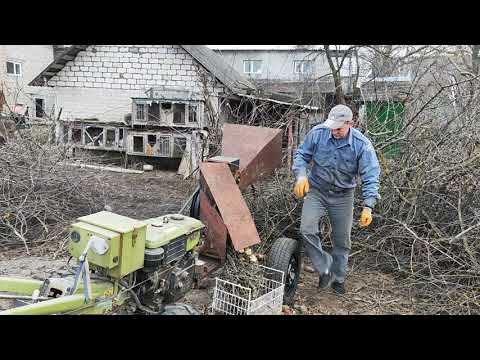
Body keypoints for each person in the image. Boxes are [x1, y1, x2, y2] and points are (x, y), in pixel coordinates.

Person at [292, 104, 380, 295]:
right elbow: (301, 155)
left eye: (338, 128)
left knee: (342, 241)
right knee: (306, 229)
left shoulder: (362, 145)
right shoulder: (318, 133)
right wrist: (301, 175)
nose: (334, 132)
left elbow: (371, 175)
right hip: (317, 191)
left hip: (343, 195)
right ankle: (325, 267)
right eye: (332, 127)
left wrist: (368, 206)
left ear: (350, 123)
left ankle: (338, 279)